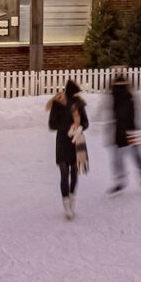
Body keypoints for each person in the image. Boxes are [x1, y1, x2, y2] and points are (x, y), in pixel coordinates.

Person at [47, 80, 89, 218]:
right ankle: (66, 203)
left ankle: (72, 199)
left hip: (76, 141)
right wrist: (67, 127)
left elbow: (86, 123)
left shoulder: (79, 104)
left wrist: (79, 127)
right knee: (64, 172)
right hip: (62, 142)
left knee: (74, 173)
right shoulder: (57, 105)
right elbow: (52, 125)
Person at [107, 72, 141, 195]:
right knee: (136, 153)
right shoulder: (131, 94)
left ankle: (120, 179)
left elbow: (110, 112)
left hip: (120, 129)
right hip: (132, 128)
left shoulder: (113, 95)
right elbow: (137, 110)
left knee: (118, 155)